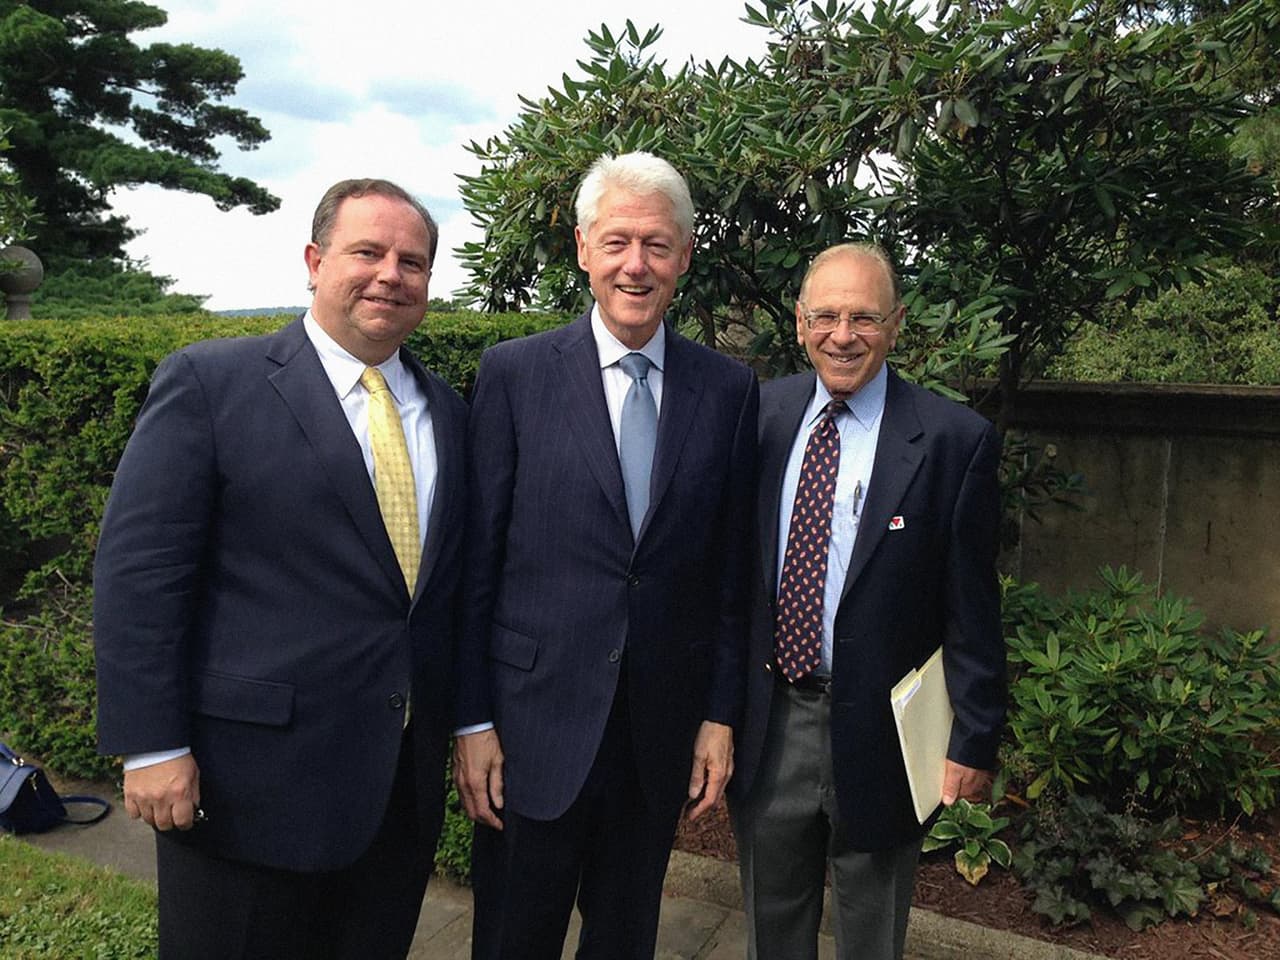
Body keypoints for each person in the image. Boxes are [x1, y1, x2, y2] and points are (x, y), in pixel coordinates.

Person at [93, 178, 467, 959]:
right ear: (314, 259)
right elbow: (140, 576)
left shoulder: (451, 414)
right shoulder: (211, 383)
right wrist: (153, 746)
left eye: (413, 261)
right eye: (367, 251)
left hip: (394, 792)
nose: (390, 275)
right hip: (246, 790)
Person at [452, 151, 758, 959]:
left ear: (684, 259)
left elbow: (731, 574)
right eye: (617, 241)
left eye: (658, 245)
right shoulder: (514, 376)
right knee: (513, 938)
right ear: (584, 248)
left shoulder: (728, 391)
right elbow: (475, 566)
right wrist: (473, 719)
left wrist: (720, 713)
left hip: (655, 737)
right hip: (529, 731)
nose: (636, 264)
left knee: (625, 941)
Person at [729, 243, 1007, 960]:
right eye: (824, 316)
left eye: (863, 317)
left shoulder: (953, 441)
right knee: (772, 924)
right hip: (772, 720)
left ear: (896, 323)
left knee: (873, 931)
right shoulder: (758, 416)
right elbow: (728, 577)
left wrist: (974, 736)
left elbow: (971, 605)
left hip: (886, 732)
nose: (842, 335)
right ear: (798, 323)